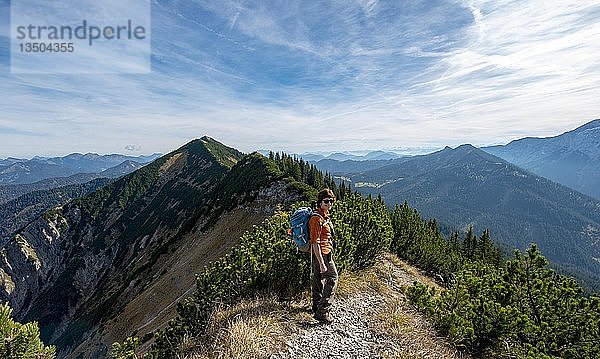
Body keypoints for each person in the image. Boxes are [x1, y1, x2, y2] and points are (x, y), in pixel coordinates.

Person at [309, 188, 338, 323]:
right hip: (322, 254)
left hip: (324, 252)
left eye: (331, 201)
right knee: (332, 278)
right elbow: (315, 242)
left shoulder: (324, 215)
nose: (329, 204)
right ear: (320, 202)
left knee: (318, 278)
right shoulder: (316, 218)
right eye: (326, 201)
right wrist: (321, 263)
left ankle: (316, 305)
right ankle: (323, 311)